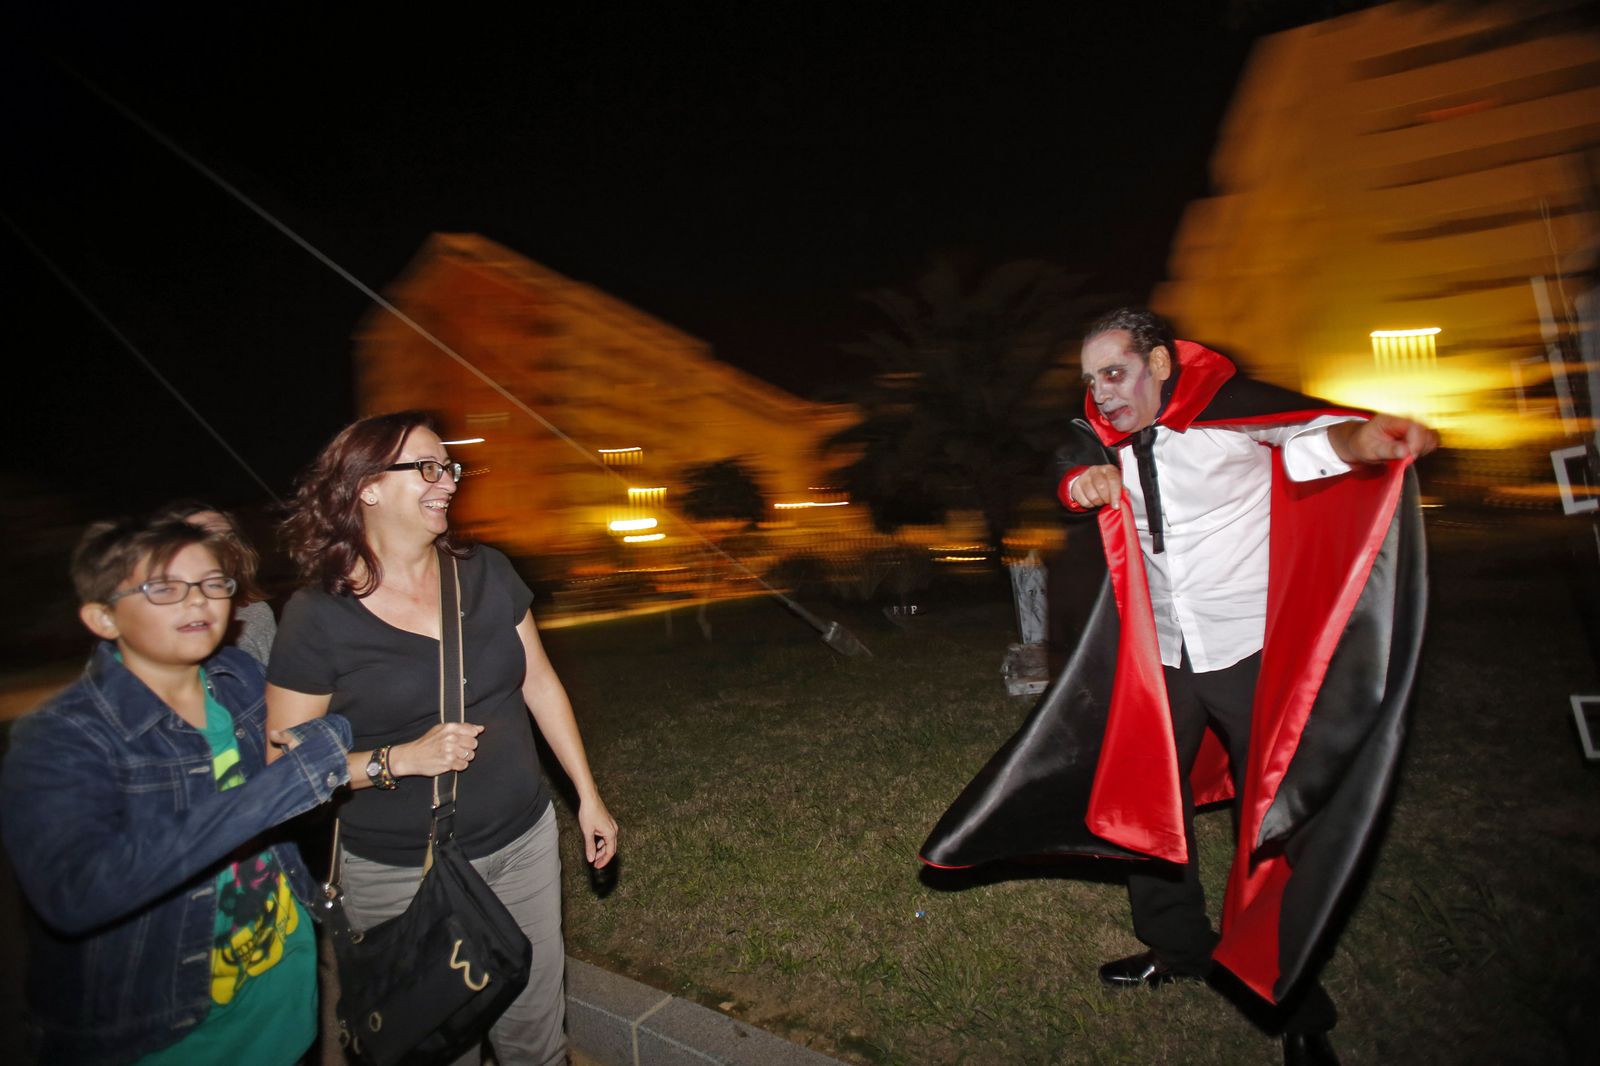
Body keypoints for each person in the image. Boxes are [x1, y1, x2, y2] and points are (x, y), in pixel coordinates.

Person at [921, 308, 1434, 1066]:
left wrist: (1367, 439)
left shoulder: (1231, 417)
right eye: (1092, 378)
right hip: (1159, 659)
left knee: (1279, 822)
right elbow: (1067, 465)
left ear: (1159, 363)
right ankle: (1177, 948)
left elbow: (1313, 447)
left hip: (1246, 653)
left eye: (1116, 372)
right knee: (1145, 803)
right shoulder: (1105, 438)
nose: (1103, 391)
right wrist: (1079, 480)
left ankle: (1291, 1001)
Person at [265, 410, 618, 1066]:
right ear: (366, 486)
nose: (448, 482)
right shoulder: (317, 617)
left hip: (523, 844)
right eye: (426, 467)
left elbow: (538, 683)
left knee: (536, 1035)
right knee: (432, 1043)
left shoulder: (486, 572)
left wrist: (587, 796)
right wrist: (398, 760)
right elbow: (280, 763)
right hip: (402, 871)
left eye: (449, 468)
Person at [0, 517, 352, 1065]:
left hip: (287, 1014)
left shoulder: (238, 677)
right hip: (169, 1040)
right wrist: (290, 783)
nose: (198, 602)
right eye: (165, 588)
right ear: (102, 616)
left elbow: (297, 804)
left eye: (214, 583)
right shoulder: (61, 736)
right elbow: (75, 893)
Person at [151, 500, 278, 665]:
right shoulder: (155, 619)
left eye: (230, 537)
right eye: (206, 537)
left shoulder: (256, 613)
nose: (226, 547)